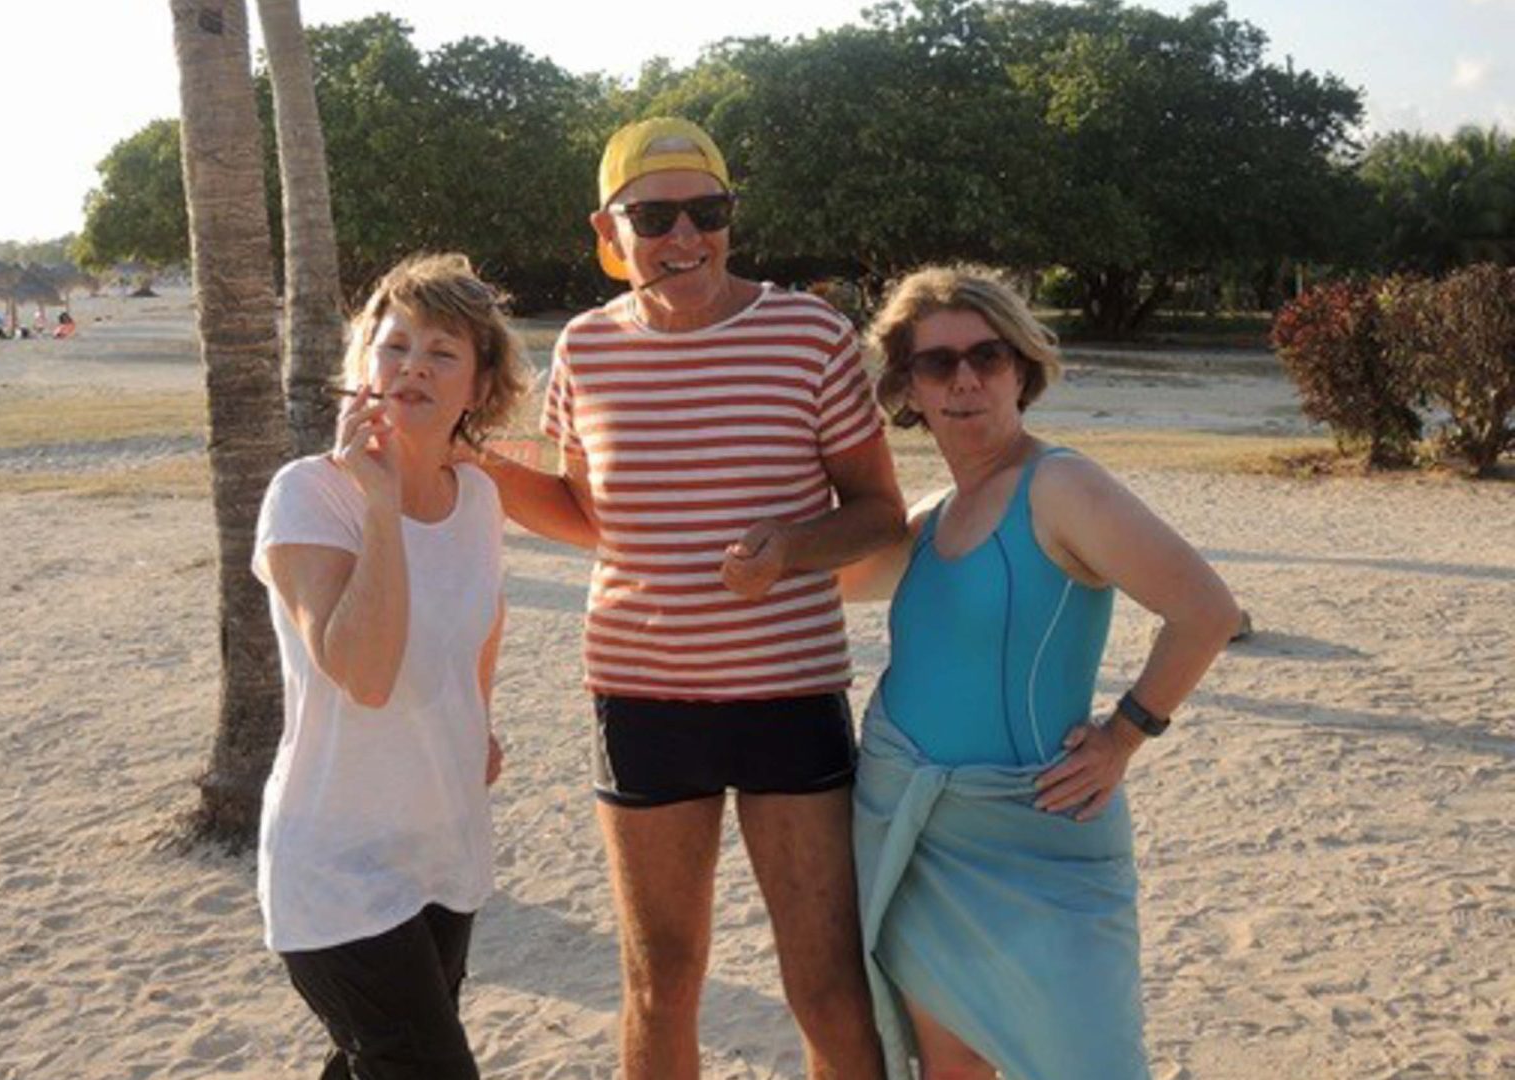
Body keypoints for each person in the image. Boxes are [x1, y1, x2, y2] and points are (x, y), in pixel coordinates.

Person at [472, 116, 905, 1078]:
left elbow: (880, 514)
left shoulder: (808, 333)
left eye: (707, 212)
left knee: (826, 980)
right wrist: (473, 460)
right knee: (661, 978)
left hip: (789, 696)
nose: (685, 238)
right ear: (607, 230)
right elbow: (591, 512)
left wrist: (791, 548)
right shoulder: (585, 350)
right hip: (643, 699)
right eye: (655, 216)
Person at [837, 266, 1241, 1080]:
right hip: (918, 841)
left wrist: (1126, 734)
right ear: (907, 388)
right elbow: (824, 582)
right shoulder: (926, 517)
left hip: (1038, 844)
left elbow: (1206, 610)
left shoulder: (1061, 485)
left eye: (987, 355)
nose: (964, 380)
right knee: (949, 1068)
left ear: (1021, 368)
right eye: (935, 364)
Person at [252, 252, 531, 1079]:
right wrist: (378, 502)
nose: (412, 367)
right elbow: (363, 675)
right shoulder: (309, 495)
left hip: (443, 850)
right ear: (363, 366)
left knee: (375, 1062)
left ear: (479, 387)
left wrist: (475, 726)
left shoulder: (477, 497)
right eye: (394, 345)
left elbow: (482, 622)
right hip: (337, 871)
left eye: (443, 352)